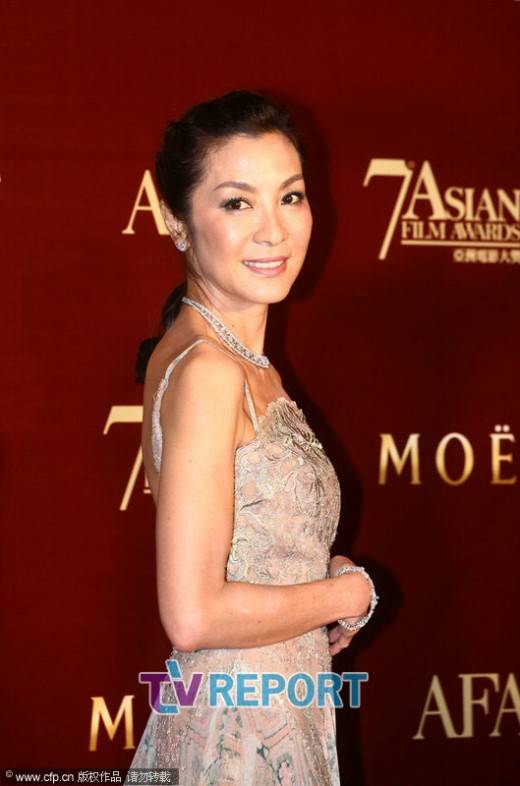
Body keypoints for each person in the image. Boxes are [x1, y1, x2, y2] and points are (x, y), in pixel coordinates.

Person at [129, 89, 378, 784]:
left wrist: (319, 575)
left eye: (290, 197)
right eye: (238, 203)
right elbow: (193, 614)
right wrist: (348, 595)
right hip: (239, 738)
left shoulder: (236, 359)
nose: (274, 230)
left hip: (273, 714)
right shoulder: (209, 370)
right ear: (175, 219)